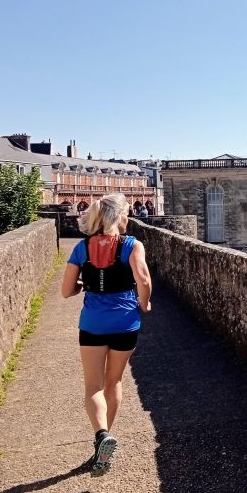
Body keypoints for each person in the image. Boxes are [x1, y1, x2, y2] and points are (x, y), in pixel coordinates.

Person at [61, 193, 152, 476]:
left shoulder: (82, 248)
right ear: (119, 217)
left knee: (93, 386)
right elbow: (144, 280)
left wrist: (83, 285)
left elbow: (66, 291)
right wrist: (144, 303)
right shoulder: (131, 245)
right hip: (126, 323)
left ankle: (101, 436)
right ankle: (105, 438)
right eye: (126, 213)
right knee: (114, 382)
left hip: (93, 324)